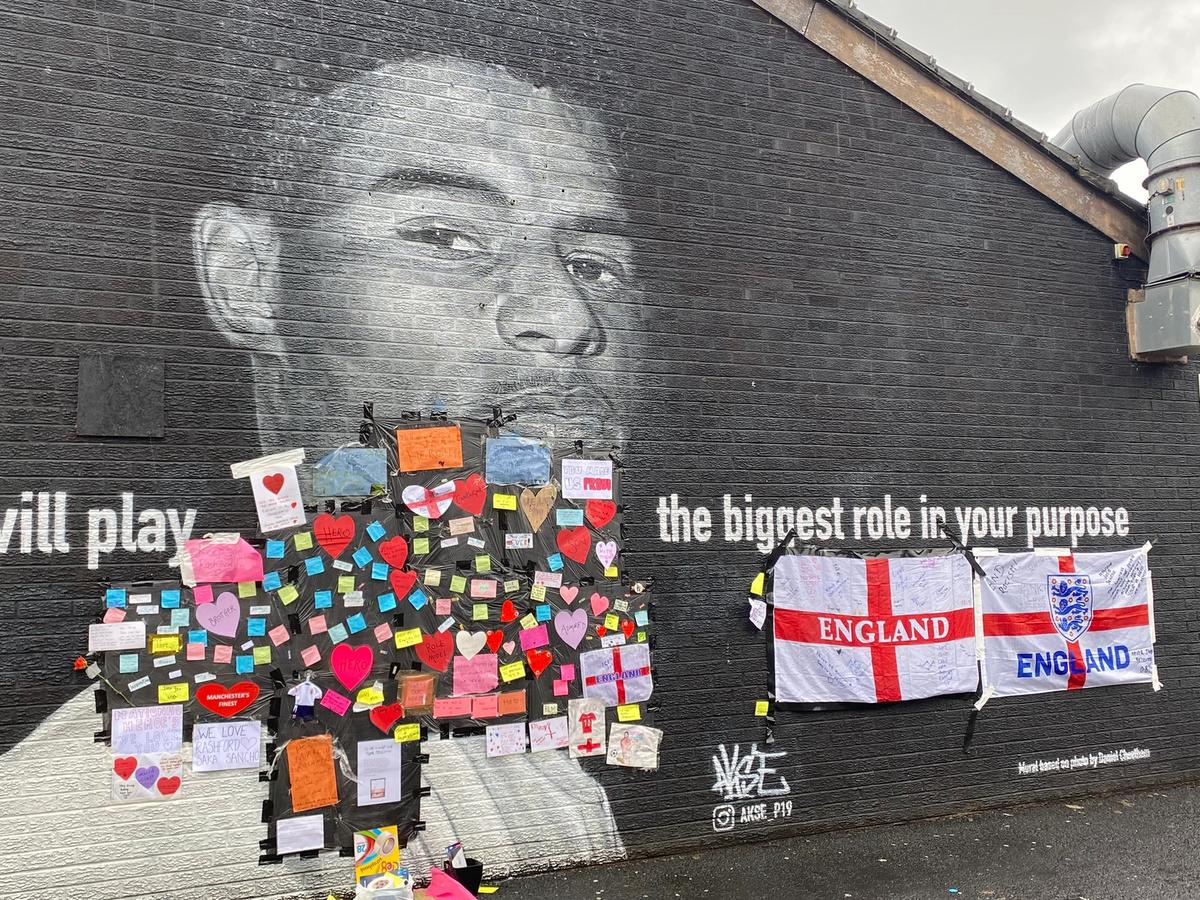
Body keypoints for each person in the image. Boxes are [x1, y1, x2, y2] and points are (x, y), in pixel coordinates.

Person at [0, 53, 637, 900]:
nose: (565, 319)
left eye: (595, 264)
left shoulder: (514, 728)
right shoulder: (128, 816)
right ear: (248, 278)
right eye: (445, 237)